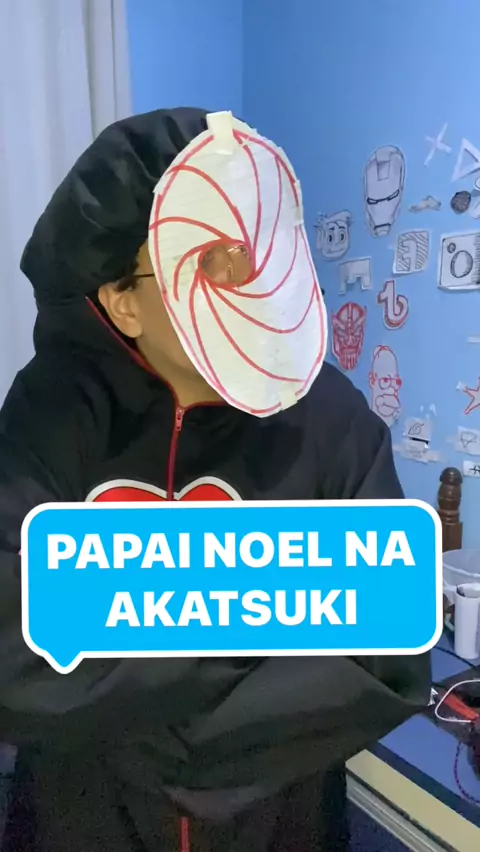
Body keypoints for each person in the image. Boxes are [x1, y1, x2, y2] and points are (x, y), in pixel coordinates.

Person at [0, 107, 430, 852]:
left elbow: (386, 654)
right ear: (122, 302)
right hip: (87, 817)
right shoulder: (49, 412)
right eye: (205, 257)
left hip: (282, 821)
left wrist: (142, 679)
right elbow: (14, 647)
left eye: (248, 246)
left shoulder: (330, 416)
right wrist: (261, 640)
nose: (244, 275)